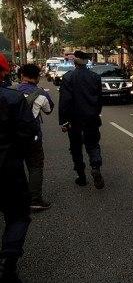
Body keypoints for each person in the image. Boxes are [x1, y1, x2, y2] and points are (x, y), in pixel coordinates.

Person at [0, 54, 40, 281]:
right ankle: (8, 261)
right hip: (8, 169)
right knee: (17, 216)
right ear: (5, 73)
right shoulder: (13, 99)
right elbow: (29, 133)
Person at [58, 51, 105, 189]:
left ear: (74, 62)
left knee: (76, 148)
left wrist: (64, 120)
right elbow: (99, 100)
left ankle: (81, 176)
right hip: (91, 118)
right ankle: (95, 166)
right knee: (93, 144)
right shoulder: (95, 77)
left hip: (74, 120)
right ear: (86, 61)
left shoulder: (68, 77)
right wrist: (96, 113)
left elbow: (64, 101)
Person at [17, 64, 54, 211]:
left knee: (13, 166)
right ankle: (35, 200)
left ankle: (12, 198)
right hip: (32, 137)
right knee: (35, 166)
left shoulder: (10, 90)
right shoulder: (41, 94)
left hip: (11, 137)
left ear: (21, 76)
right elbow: (49, 110)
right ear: (38, 77)